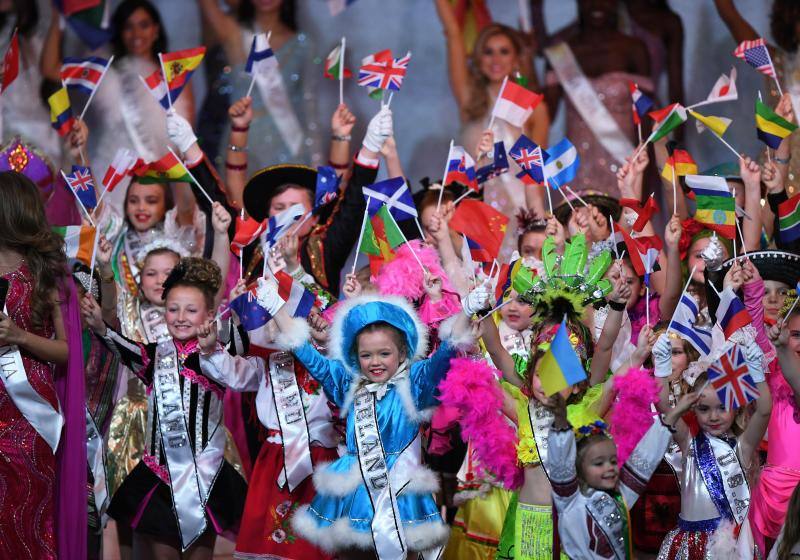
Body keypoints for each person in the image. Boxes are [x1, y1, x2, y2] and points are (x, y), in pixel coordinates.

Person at [256, 274, 488, 558]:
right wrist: (276, 308)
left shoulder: (415, 381)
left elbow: (448, 349)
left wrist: (466, 311)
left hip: (402, 494)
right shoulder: (347, 381)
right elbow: (305, 352)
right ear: (355, 356)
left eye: (384, 353)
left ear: (402, 352)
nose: (375, 362)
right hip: (356, 494)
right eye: (366, 355)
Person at [81, 257, 247, 559]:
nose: (181, 317)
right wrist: (100, 328)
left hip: (205, 479)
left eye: (191, 310)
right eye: (173, 309)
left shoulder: (215, 358)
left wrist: (238, 308)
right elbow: (126, 348)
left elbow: (239, 343)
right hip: (159, 478)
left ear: (209, 315)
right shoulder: (156, 355)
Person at [0, 170, 86, 559]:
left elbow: (67, 352)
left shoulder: (44, 272)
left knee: (27, 516)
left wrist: (19, 337)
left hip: (28, 416)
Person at [435, 0, 550, 256]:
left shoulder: (533, 108)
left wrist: (538, 225)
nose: (495, 59)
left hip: (520, 213)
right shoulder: (469, 99)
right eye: (488, 51)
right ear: (478, 58)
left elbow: (537, 172)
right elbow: (453, 33)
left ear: (517, 58)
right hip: (476, 211)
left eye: (504, 51)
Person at [40, 0, 195, 182]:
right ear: (120, 32)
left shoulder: (174, 77)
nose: (136, 34)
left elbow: (186, 141)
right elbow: (50, 68)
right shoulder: (106, 73)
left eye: (143, 25)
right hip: (112, 177)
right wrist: (58, 20)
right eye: (128, 27)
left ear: (156, 30)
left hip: (160, 182)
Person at [545, 389, 684, 560]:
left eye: (613, 461)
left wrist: (672, 416)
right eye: (598, 463)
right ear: (579, 470)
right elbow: (560, 463)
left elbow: (643, 461)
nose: (609, 467)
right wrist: (560, 420)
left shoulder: (619, 496)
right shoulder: (569, 500)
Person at [537, 0, 653, 197]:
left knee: (625, 224)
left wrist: (647, 174)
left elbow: (646, 118)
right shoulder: (561, 52)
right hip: (575, 166)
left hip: (623, 163)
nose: (598, 4)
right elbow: (546, 114)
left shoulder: (633, 49)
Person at [196, 0, 321, 169]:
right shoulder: (234, 34)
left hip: (289, 143)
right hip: (242, 139)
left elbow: (309, 105)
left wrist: (316, 156)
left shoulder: (303, 44)